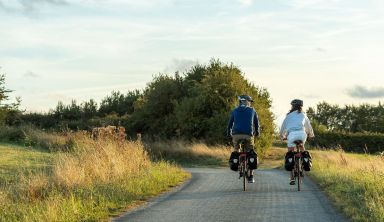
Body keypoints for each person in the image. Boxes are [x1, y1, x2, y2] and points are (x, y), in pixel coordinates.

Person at [279, 99, 315, 185]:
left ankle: (292, 178)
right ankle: (304, 159)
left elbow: (282, 128)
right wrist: (311, 135)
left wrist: (282, 137)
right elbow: (308, 127)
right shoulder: (303, 115)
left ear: (292, 107)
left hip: (291, 136)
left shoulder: (288, 116)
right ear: (301, 107)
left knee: (290, 153)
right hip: (302, 135)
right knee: (302, 146)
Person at [227, 95, 260, 183]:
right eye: (249, 101)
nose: (250, 103)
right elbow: (256, 124)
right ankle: (251, 176)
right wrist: (257, 132)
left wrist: (228, 132)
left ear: (240, 102)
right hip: (248, 134)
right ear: (246, 101)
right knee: (251, 152)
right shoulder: (252, 110)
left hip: (236, 134)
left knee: (236, 149)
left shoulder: (235, 110)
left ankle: (238, 164)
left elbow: (230, 123)